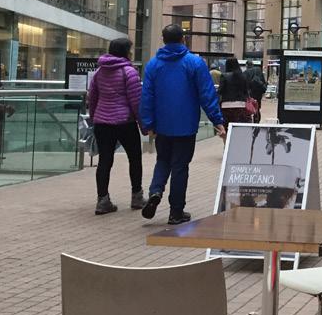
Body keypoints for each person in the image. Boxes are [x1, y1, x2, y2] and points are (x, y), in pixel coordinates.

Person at [139, 24, 226, 225]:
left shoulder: (153, 65)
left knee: (163, 160)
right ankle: (176, 212)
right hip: (186, 125)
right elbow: (207, 94)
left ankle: (155, 191)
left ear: (163, 40)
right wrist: (217, 120)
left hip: (162, 125)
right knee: (180, 167)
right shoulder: (194, 63)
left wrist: (148, 123)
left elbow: (147, 96)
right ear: (183, 39)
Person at [86, 38, 144, 215]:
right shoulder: (129, 72)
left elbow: (92, 97)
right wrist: (143, 124)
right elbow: (136, 101)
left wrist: (94, 117)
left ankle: (102, 200)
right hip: (125, 122)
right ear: (125, 51)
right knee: (135, 158)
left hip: (102, 122)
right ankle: (137, 196)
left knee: (105, 160)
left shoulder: (99, 72)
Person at [220, 58, 252, 129]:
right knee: (239, 128)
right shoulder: (243, 76)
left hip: (226, 105)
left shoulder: (224, 76)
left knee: (227, 127)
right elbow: (246, 91)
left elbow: (220, 90)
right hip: (241, 105)